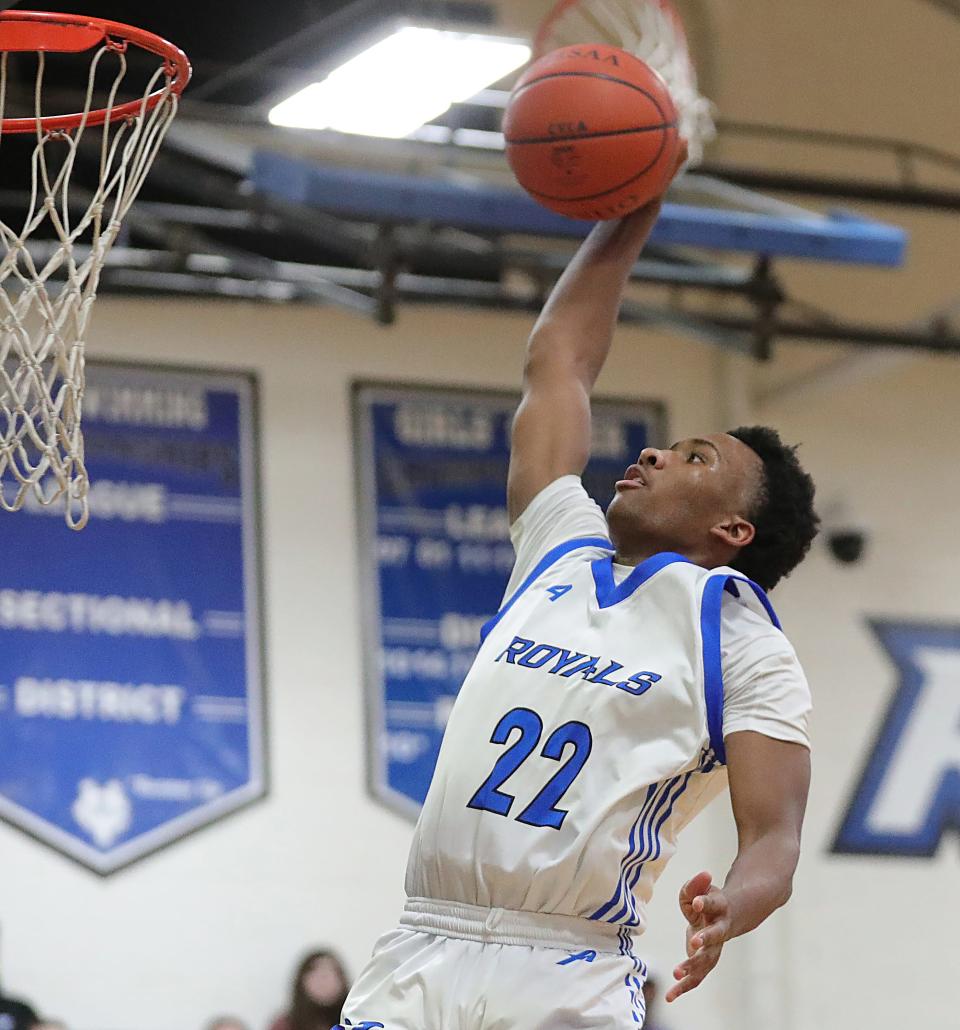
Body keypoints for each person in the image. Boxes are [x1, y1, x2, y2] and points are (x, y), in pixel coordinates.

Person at [339, 148, 817, 1029]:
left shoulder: (745, 646)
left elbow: (775, 840)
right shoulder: (562, 549)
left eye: (694, 458)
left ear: (734, 533)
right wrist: (634, 202)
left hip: (567, 969)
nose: (655, 454)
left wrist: (734, 904)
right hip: (419, 948)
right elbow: (560, 359)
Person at [270, 950, 349, 1030]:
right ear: (301, 980)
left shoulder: (355, 1022)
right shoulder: (284, 1025)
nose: (323, 978)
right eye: (315, 970)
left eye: (331, 970)